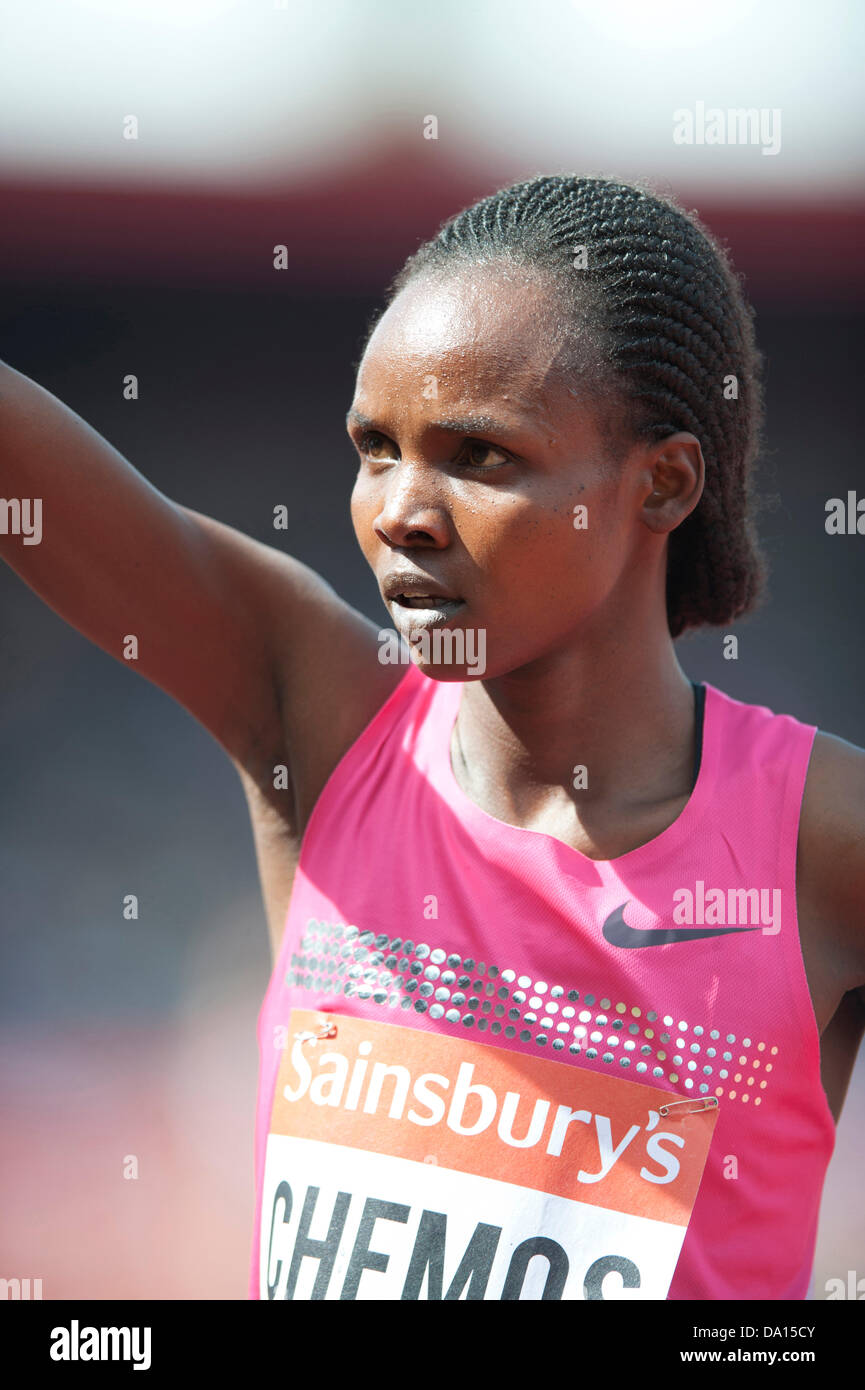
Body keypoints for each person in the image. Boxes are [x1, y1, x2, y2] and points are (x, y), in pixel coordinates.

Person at [2, 174, 863, 1301]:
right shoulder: (321, 724)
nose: (402, 508)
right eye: (375, 447)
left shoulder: (819, 842)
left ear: (662, 482)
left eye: (478, 456)